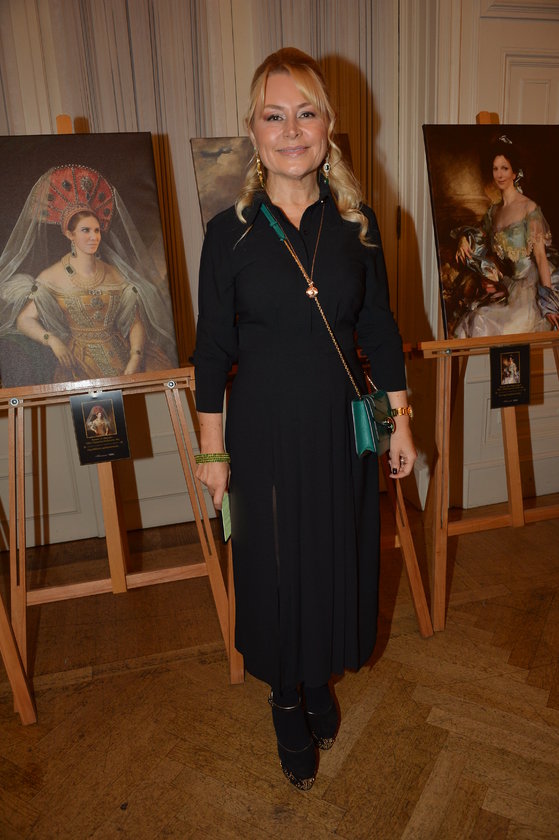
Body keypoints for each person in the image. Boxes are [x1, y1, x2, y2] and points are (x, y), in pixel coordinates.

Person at [193, 48, 416, 790]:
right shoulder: (228, 232)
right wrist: (212, 455)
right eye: (273, 116)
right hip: (261, 433)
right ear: (253, 133)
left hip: (338, 428)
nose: (291, 130)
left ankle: (316, 674)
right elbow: (211, 350)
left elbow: (379, 329)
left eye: (306, 113)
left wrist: (400, 423)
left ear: (328, 126)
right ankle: (284, 693)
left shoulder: (357, 224)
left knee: (331, 554)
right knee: (276, 566)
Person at [0, 164, 178, 386]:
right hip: (80, 363)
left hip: (125, 355)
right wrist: (52, 340)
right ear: (70, 234)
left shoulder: (114, 273)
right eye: (85, 230)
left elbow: (135, 322)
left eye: (96, 230)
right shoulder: (51, 276)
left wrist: (135, 358)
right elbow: (24, 320)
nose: (94, 237)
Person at [453, 136, 559, 337]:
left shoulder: (529, 208)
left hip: (531, 289)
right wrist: (463, 239)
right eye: (495, 169)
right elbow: (479, 235)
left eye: (504, 168)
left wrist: (549, 304)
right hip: (509, 285)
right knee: (475, 320)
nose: (499, 174)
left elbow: (540, 258)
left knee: (497, 327)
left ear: (514, 172)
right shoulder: (494, 212)